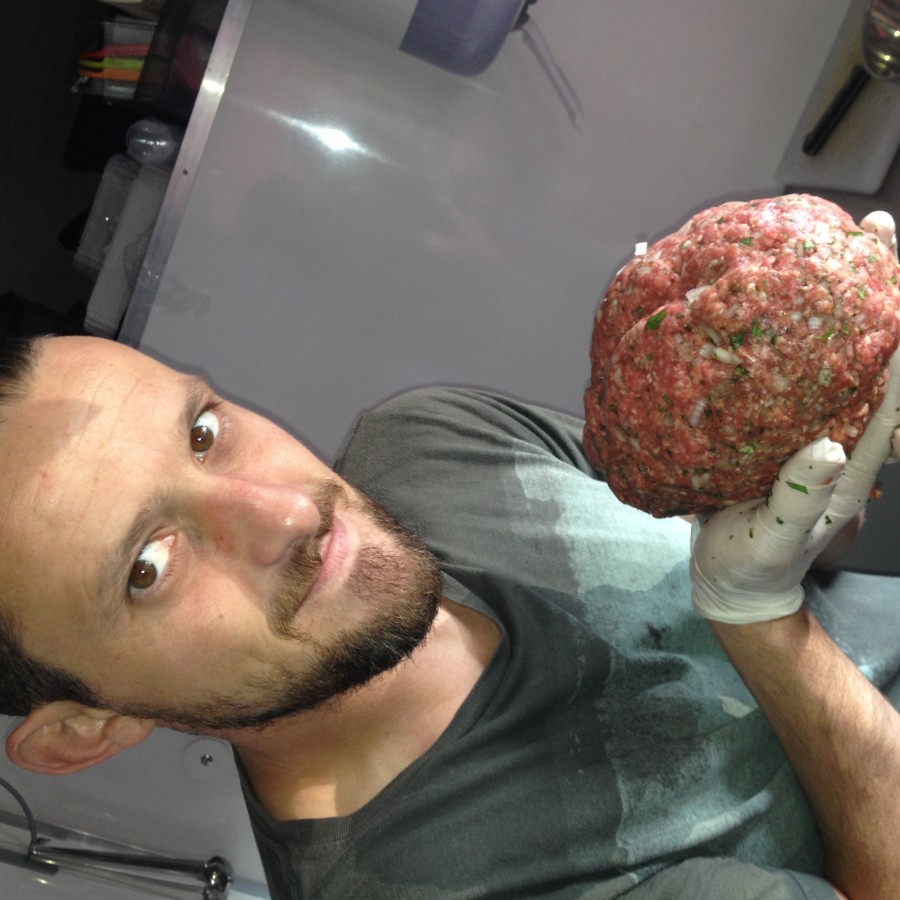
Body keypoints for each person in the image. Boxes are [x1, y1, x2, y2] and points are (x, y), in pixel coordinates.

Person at [0, 222, 899, 899]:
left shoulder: (430, 438)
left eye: (203, 433)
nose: (287, 513)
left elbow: (780, 527)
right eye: (149, 567)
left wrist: (819, 444)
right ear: (83, 729)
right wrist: (760, 622)